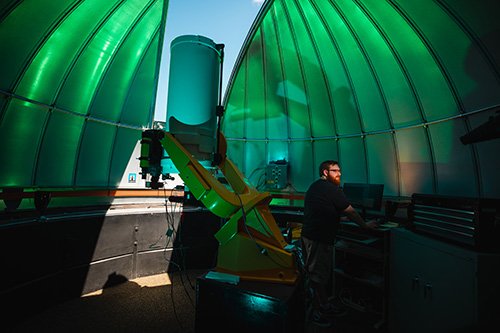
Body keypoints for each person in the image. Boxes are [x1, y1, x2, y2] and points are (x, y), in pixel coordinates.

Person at [300, 160, 378, 328]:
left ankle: (324, 306)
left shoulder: (317, 187)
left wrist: (337, 218)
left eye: (339, 171)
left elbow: (324, 210)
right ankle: (316, 313)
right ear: (325, 172)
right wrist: (364, 225)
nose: (339, 174)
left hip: (310, 236)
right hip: (318, 239)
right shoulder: (331, 189)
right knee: (317, 277)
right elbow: (350, 210)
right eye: (335, 171)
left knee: (314, 274)